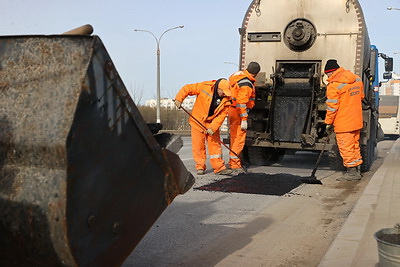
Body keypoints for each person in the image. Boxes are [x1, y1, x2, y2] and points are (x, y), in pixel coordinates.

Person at [174, 78, 233, 176]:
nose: (224, 95)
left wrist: (213, 128)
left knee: (215, 146)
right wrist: (179, 99)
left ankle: (219, 168)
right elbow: (187, 88)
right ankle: (200, 166)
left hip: (211, 123)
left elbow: (221, 116)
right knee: (198, 146)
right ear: (218, 88)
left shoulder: (227, 99)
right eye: (223, 92)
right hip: (198, 121)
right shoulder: (205, 87)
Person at [324, 59, 364, 181]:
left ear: (330, 72)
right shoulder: (357, 79)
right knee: (354, 146)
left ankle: (352, 173)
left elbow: (332, 107)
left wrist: (328, 123)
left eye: (327, 74)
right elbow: (361, 96)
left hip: (343, 123)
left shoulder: (333, 86)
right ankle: (357, 170)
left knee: (346, 147)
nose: (327, 77)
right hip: (356, 120)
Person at [228, 62, 261, 173]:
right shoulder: (246, 83)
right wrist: (244, 119)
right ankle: (235, 164)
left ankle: (233, 161)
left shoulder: (238, 75)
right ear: (256, 74)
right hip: (239, 112)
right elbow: (242, 103)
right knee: (239, 138)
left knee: (233, 137)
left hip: (232, 109)